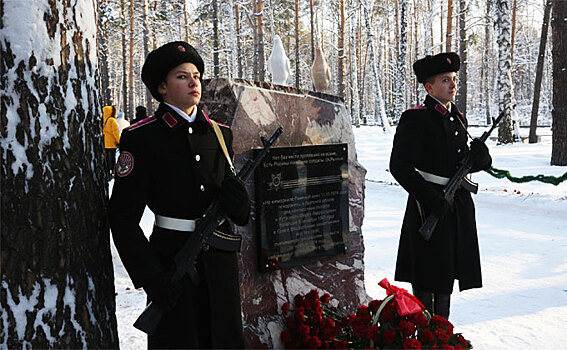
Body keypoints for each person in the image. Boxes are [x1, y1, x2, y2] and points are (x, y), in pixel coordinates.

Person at [108, 41, 250, 349]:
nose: (194, 82)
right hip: (171, 263)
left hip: (220, 264)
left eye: (196, 75)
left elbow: (236, 209)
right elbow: (122, 218)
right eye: (182, 76)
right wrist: (151, 276)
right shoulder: (141, 138)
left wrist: (240, 205)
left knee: (224, 340)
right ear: (161, 86)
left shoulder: (219, 133)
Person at [389, 52, 492, 320]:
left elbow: (459, 163)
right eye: (445, 80)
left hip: (455, 205)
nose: (453, 84)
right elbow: (399, 167)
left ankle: (442, 334)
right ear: (429, 87)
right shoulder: (416, 118)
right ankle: (424, 336)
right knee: (426, 276)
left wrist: (480, 158)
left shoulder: (457, 118)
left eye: (455, 79)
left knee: (446, 275)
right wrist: (430, 198)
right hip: (428, 206)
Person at [103, 105, 120, 179]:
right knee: (112, 159)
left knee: (107, 159)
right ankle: (112, 173)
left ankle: (107, 173)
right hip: (112, 144)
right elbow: (115, 132)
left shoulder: (104, 120)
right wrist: (119, 141)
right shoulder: (112, 120)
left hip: (105, 143)